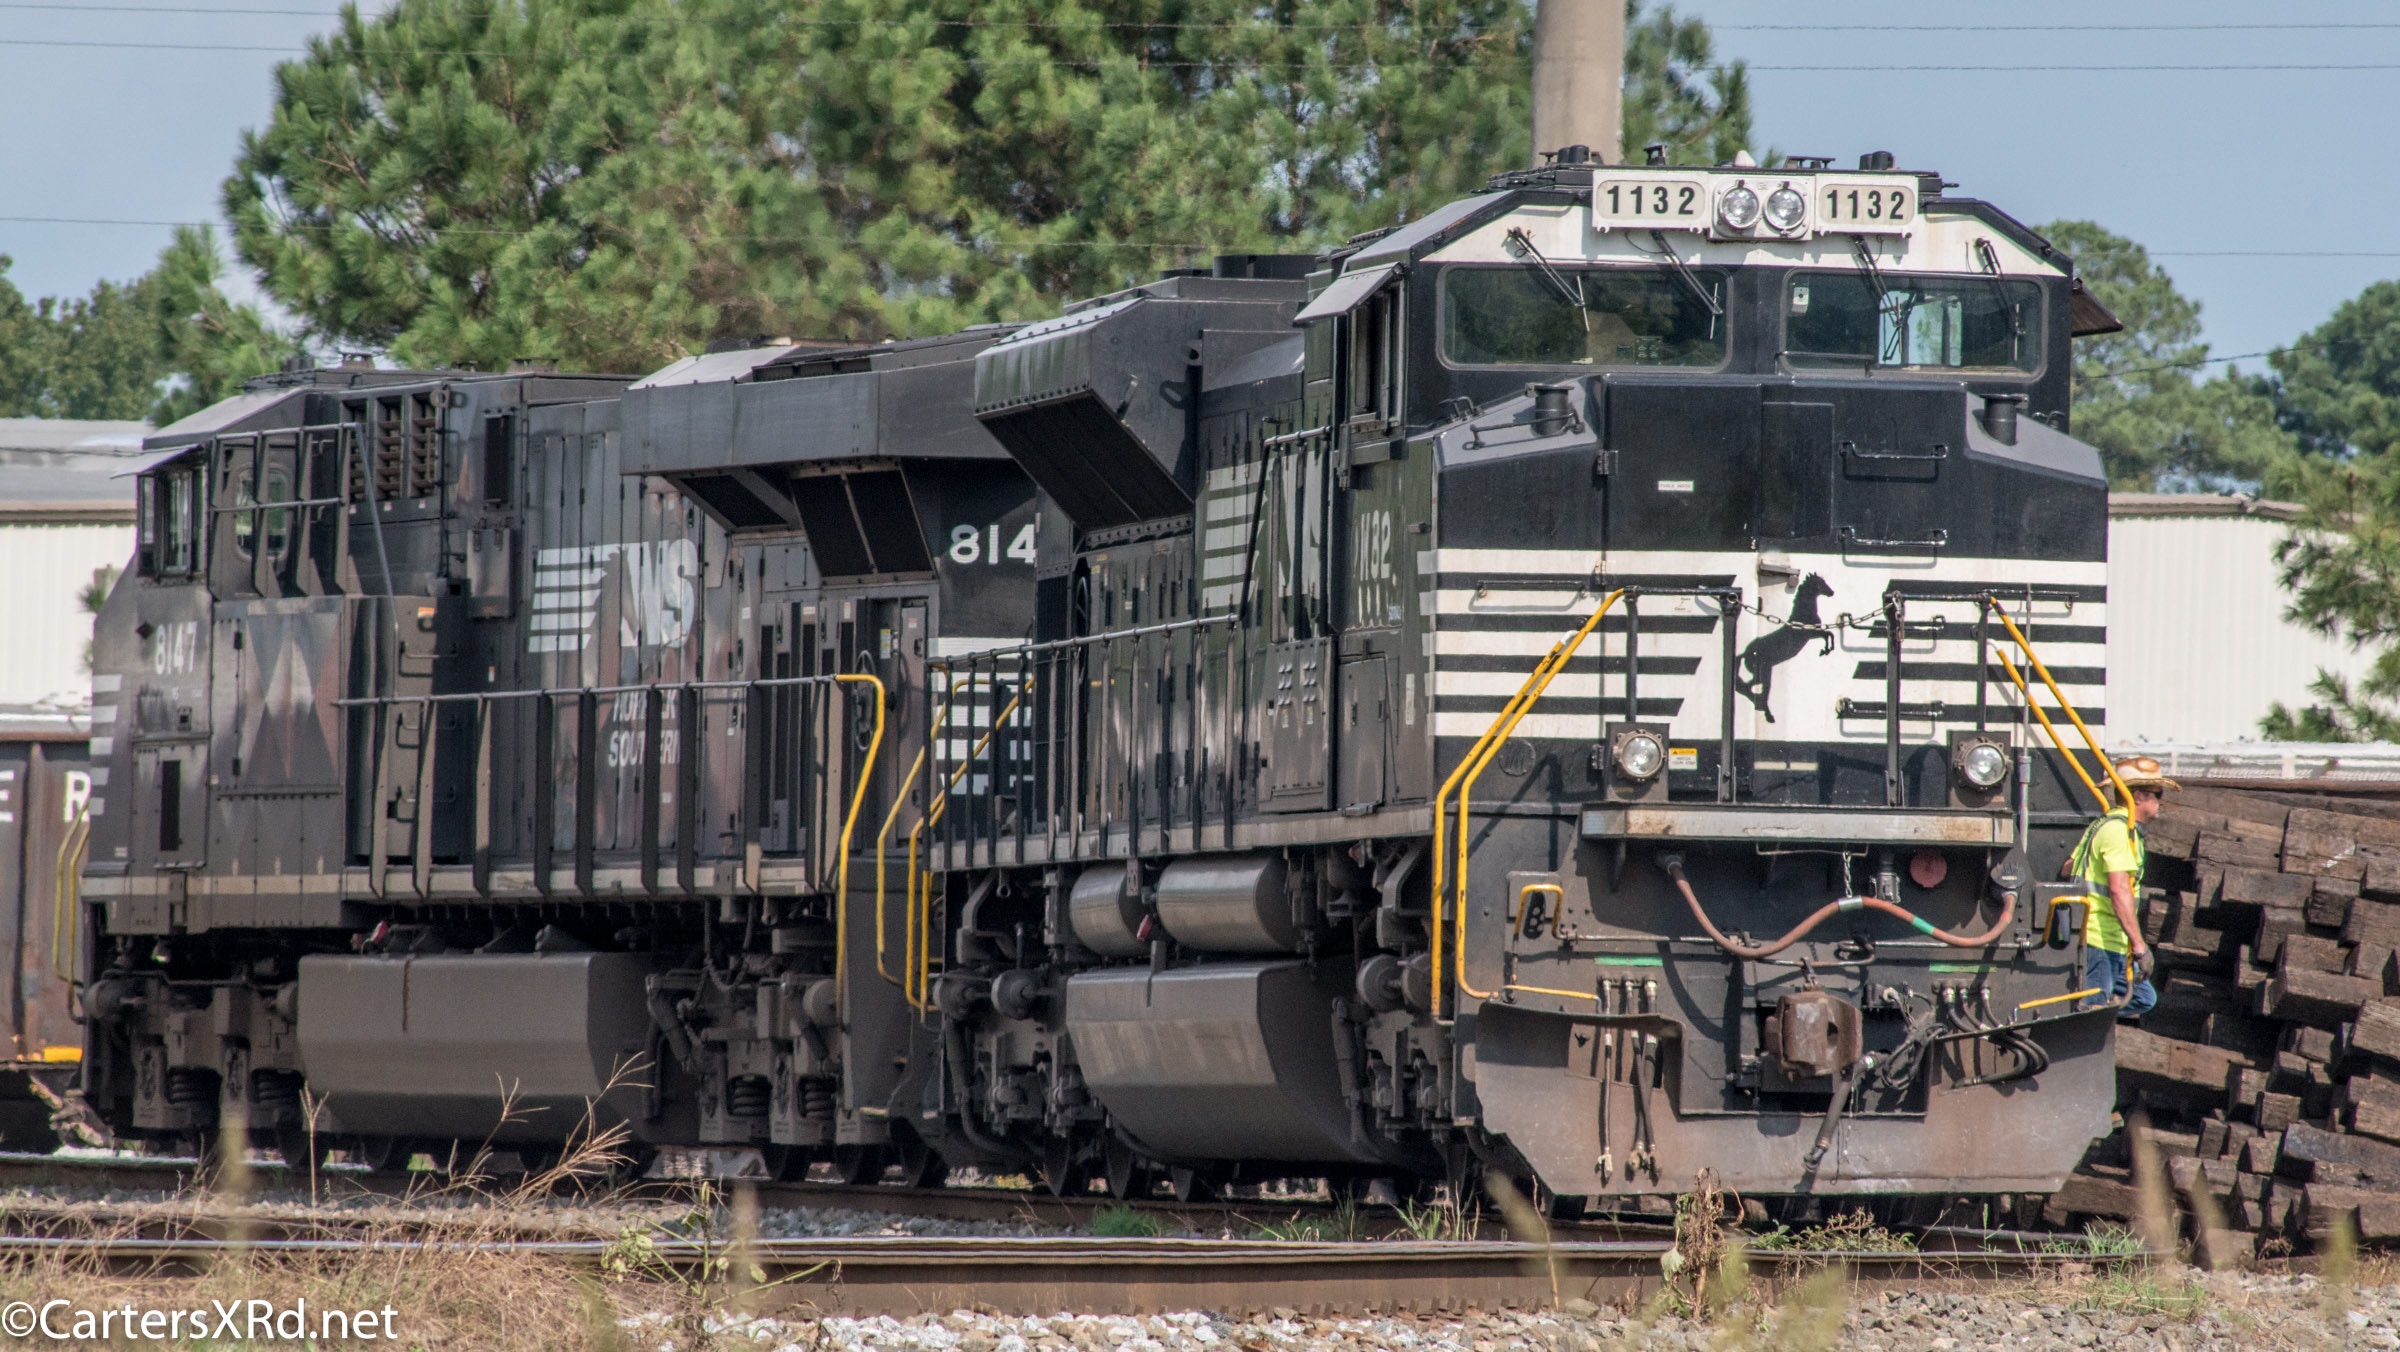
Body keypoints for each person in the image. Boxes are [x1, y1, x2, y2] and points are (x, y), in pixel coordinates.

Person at [2068, 755, 2175, 1020]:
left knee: (2143, 997)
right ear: (2137, 797)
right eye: (2158, 794)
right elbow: (2119, 890)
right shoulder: (2118, 832)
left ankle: (2090, 1015)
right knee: (2090, 1017)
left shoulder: (2106, 826)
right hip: (2098, 939)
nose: (2161, 802)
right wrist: (2140, 947)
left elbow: (2067, 867)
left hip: (2110, 940)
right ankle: (2084, 1019)